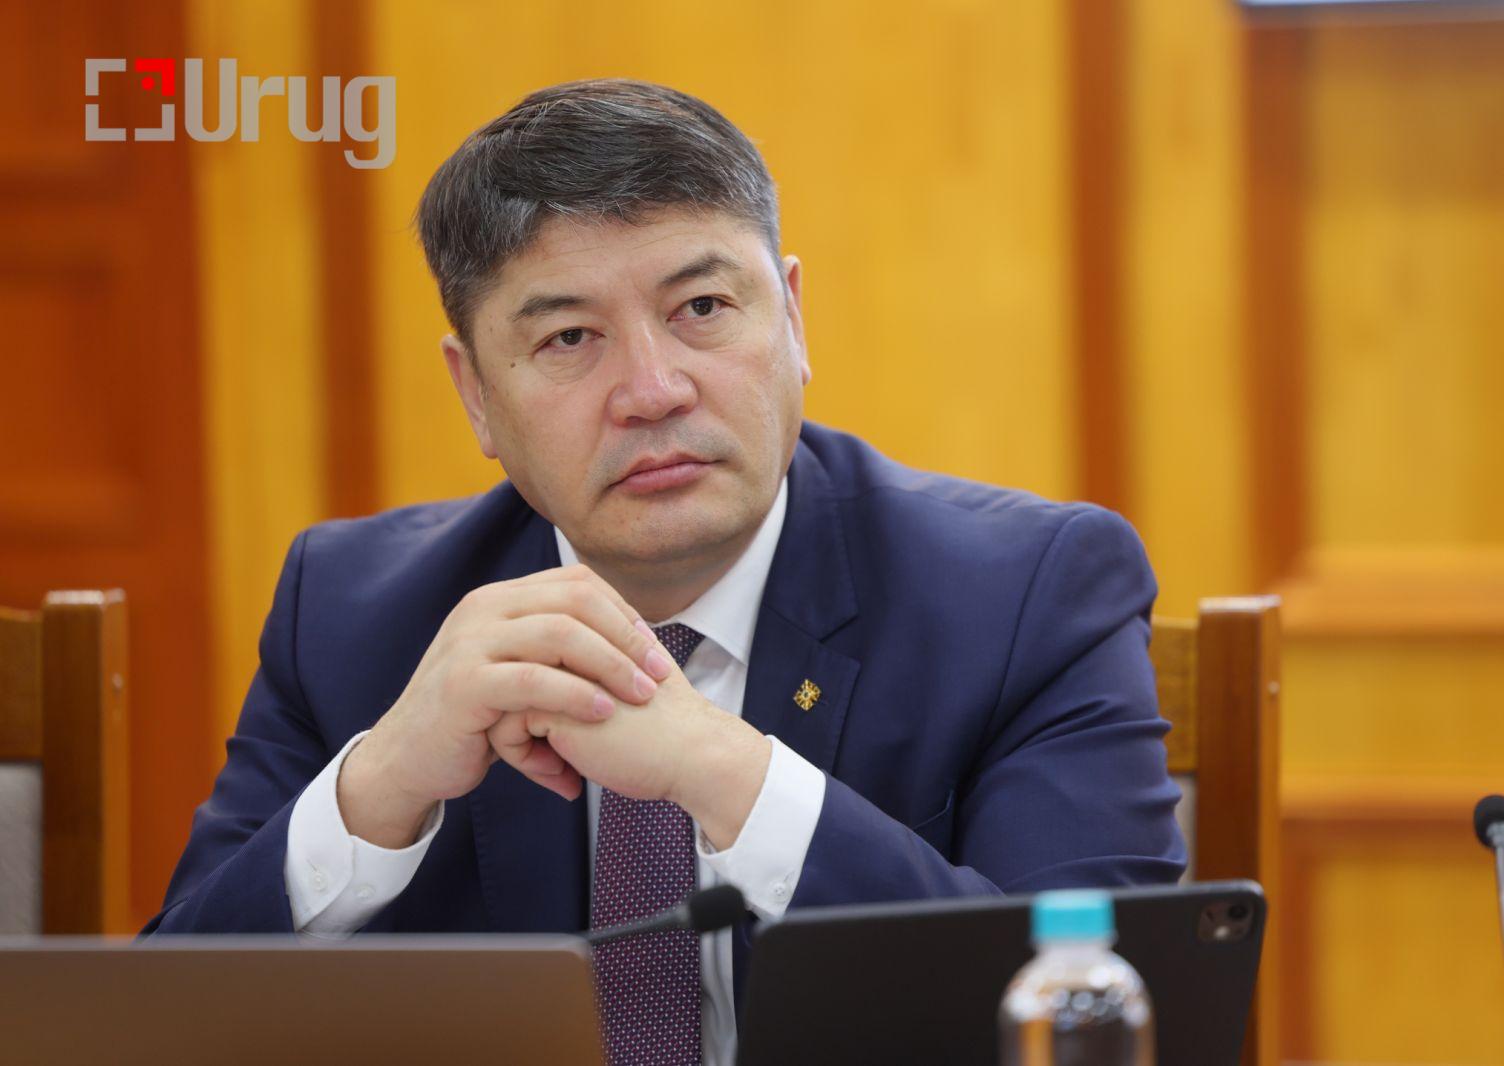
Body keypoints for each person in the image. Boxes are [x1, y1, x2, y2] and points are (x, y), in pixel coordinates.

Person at [143, 79, 1185, 1065]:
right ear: (476, 397)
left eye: (702, 309)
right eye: (569, 337)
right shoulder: (351, 613)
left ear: (790, 318)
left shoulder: (1026, 594)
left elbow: (1109, 1017)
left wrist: (728, 775)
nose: (651, 390)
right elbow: (153, 1025)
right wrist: (379, 788)